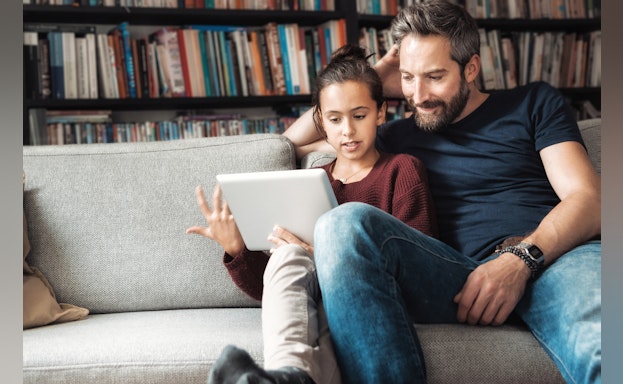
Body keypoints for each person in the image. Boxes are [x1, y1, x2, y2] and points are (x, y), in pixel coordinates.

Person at [282, 1, 602, 384]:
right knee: (341, 225)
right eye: (407, 78)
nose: (418, 95)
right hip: (454, 276)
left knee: (603, 346)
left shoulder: (533, 103)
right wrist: (369, 78)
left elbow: (589, 199)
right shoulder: (393, 135)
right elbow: (287, 146)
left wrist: (520, 259)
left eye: (434, 76)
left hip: (552, 259)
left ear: (470, 68)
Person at [186, 44, 437, 384]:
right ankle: (289, 375)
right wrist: (237, 250)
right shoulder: (307, 184)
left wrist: (332, 259)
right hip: (312, 299)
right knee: (287, 254)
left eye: (359, 116)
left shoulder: (402, 170)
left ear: (380, 114)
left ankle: (288, 377)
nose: (347, 130)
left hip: (367, 298)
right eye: (335, 119)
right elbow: (274, 293)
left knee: (321, 301)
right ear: (321, 122)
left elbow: (419, 266)